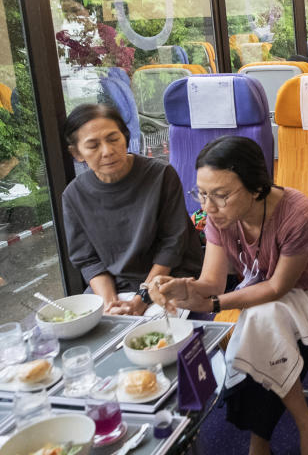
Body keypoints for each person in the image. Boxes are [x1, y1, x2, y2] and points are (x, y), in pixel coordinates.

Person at [148, 136, 308, 455]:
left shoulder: (298, 215)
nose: (209, 207)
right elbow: (213, 283)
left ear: (257, 187)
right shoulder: (220, 217)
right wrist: (185, 289)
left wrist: (212, 304)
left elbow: (277, 287)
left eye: (220, 195)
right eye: (201, 194)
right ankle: (305, 427)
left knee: (258, 325)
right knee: (261, 327)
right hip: (276, 293)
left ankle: (259, 451)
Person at [61, 103, 203, 317]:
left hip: (170, 277)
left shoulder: (160, 175)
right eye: (93, 145)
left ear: (125, 137)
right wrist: (111, 304)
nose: (107, 151)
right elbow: (88, 260)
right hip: (114, 287)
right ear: (77, 153)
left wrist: (141, 300)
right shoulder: (74, 195)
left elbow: (173, 245)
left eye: (113, 139)